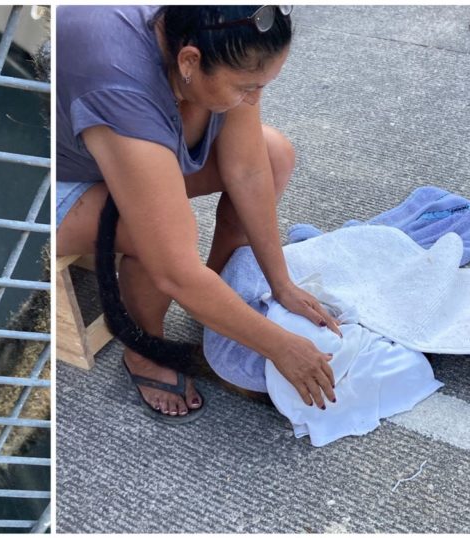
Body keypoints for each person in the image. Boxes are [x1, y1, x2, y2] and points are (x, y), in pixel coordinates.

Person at [56, 5, 340, 423]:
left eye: (262, 86)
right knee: (150, 237)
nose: (255, 99)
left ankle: (217, 301)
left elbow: (247, 170)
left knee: (275, 153)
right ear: (189, 61)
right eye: (247, 88)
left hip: (120, 146)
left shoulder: (219, 31)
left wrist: (282, 284)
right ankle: (144, 347)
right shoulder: (118, 80)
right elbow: (174, 270)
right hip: (57, 180)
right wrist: (282, 347)